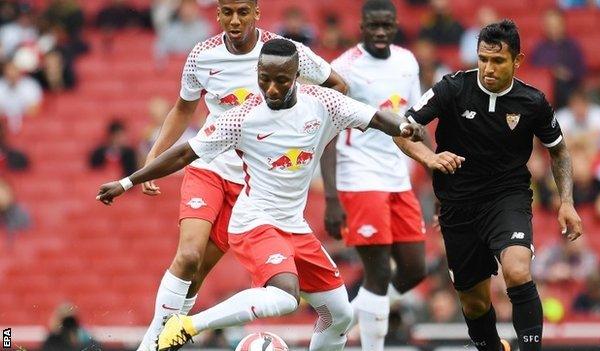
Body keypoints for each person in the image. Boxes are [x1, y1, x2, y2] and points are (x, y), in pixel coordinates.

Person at [96, 38, 425, 351]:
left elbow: (376, 116)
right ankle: (187, 325)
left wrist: (405, 127)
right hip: (254, 223)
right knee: (285, 297)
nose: (271, 88)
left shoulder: (324, 103)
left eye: (280, 80)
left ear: (297, 76)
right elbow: (185, 154)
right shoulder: (242, 117)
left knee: (340, 315)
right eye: (264, 78)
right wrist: (127, 182)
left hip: (293, 227)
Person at [136, 1, 348, 349]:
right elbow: (182, 108)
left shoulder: (285, 53)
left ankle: (170, 337)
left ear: (257, 13)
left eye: (243, 12)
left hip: (251, 185)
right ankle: (151, 343)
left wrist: (305, 127)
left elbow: (338, 87)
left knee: (199, 271)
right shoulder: (202, 55)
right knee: (187, 256)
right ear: (217, 14)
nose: (235, 20)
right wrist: (154, 156)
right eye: (228, 12)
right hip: (208, 167)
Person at [397, 20, 583, 351]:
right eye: (483, 59)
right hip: (458, 204)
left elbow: (559, 150)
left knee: (516, 270)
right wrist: (428, 157)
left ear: (517, 60)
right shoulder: (452, 89)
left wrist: (566, 201)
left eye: (497, 61)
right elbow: (403, 129)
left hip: (506, 198)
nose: (488, 68)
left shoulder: (532, 101)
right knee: (474, 303)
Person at [323, 1, 426, 350]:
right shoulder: (343, 68)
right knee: (378, 273)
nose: (380, 32)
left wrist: (434, 167)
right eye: (373, 25)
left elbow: (415, 122)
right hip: (360, 177)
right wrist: (332, 198)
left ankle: (349, 318)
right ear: (361, 26)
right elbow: (328, 134)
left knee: (414, 270)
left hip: (398, 177)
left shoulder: (407, 61)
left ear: (395, 25)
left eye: (387, 25)